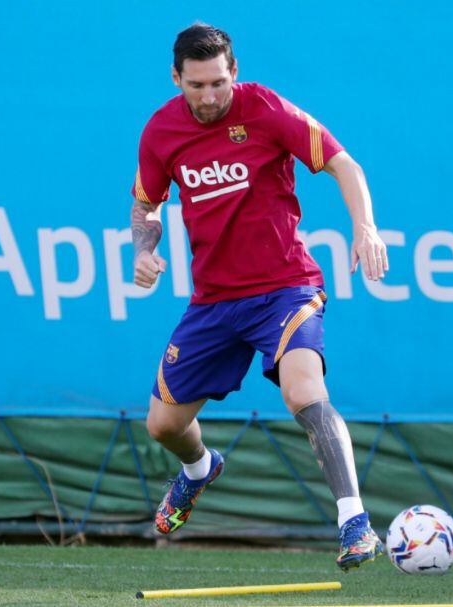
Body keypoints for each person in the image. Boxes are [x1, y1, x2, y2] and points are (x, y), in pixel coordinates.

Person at [130, 23, 388, 571]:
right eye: (195, 85)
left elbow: (344, 163)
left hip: (285, 288)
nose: (208, 96)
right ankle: (200, 469)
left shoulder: (265, 108)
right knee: (163, 426)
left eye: (218, 83)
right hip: (214, 302)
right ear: (176, 78)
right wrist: (143, 247)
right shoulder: (160, 131)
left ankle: (355, 524)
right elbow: (147, 204)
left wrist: (365, 228)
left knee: (303, 392)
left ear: (234, 73)